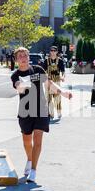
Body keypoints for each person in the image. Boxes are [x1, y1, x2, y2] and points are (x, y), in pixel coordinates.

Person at [11, 47, 72, 183]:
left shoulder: (38, 69)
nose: (23, 57)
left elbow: (49, 84)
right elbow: (18, 86)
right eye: (20, 56)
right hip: (25, 111)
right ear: (16, 60)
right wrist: (21, 86)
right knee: (27, 142)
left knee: (38, 141)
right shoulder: (15, 75)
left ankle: (33, 170)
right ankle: (29, 159)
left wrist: (63, 92)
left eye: (25, 55)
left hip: (41, 110)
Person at [43, 46, 66, 119]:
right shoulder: (46, 61)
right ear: (50, 52)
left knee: (57, 98)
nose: (53, 52)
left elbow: (63, 71)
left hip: (56, 81)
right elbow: (43, 71)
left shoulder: (60, 61)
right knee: (48, 98)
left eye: (54, 51)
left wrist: (62, 77)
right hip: (48, 81)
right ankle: (51, 114)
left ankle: (59, 113)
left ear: (57, 52)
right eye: (51, 51)